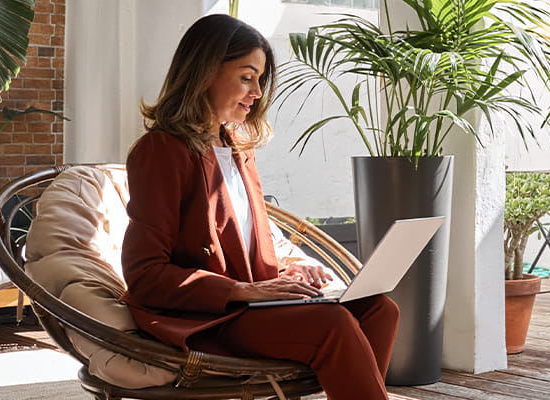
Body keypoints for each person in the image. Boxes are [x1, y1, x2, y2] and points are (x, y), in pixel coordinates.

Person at [120, 14, 399, 400]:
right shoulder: (162, 151)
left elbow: (245, 245)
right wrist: (242, 290)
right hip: (208, 316)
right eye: (246, 77)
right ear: (204, 72)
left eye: (261, 80)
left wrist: (287, 269)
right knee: (332, 323)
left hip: (248, 305)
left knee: (380, 309)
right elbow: (146, 274)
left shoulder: (238, 150)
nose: (257, 93)